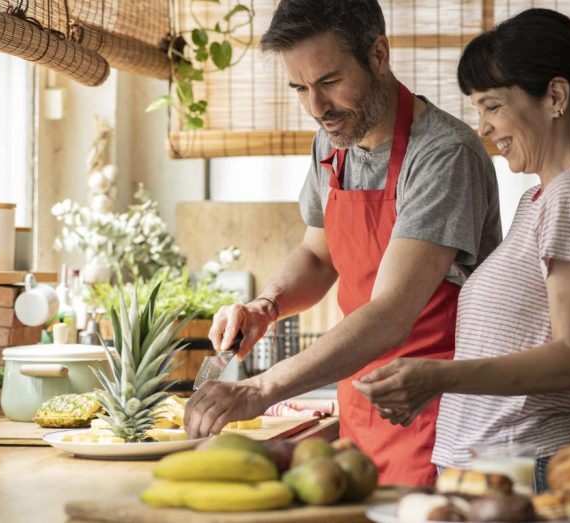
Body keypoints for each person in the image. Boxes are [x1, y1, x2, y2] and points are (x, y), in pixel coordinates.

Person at [182, 0, 502, 486]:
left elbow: (391, 316)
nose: (317, 108)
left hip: (436, 419)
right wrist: (265, 307)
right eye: (300, 88)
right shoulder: (333, 144)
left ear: (378, 54)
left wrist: (260, 389)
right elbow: (317, 255)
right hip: (361, 414)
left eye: (329, 82)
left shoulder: (442, 154)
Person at [353, 7, 570, 491]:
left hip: (526, 468)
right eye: (478, 109)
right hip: (492, 466)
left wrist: (439, 377)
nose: (483, 127)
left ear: (555, 96)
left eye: (492, 106)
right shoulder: (539, 199)